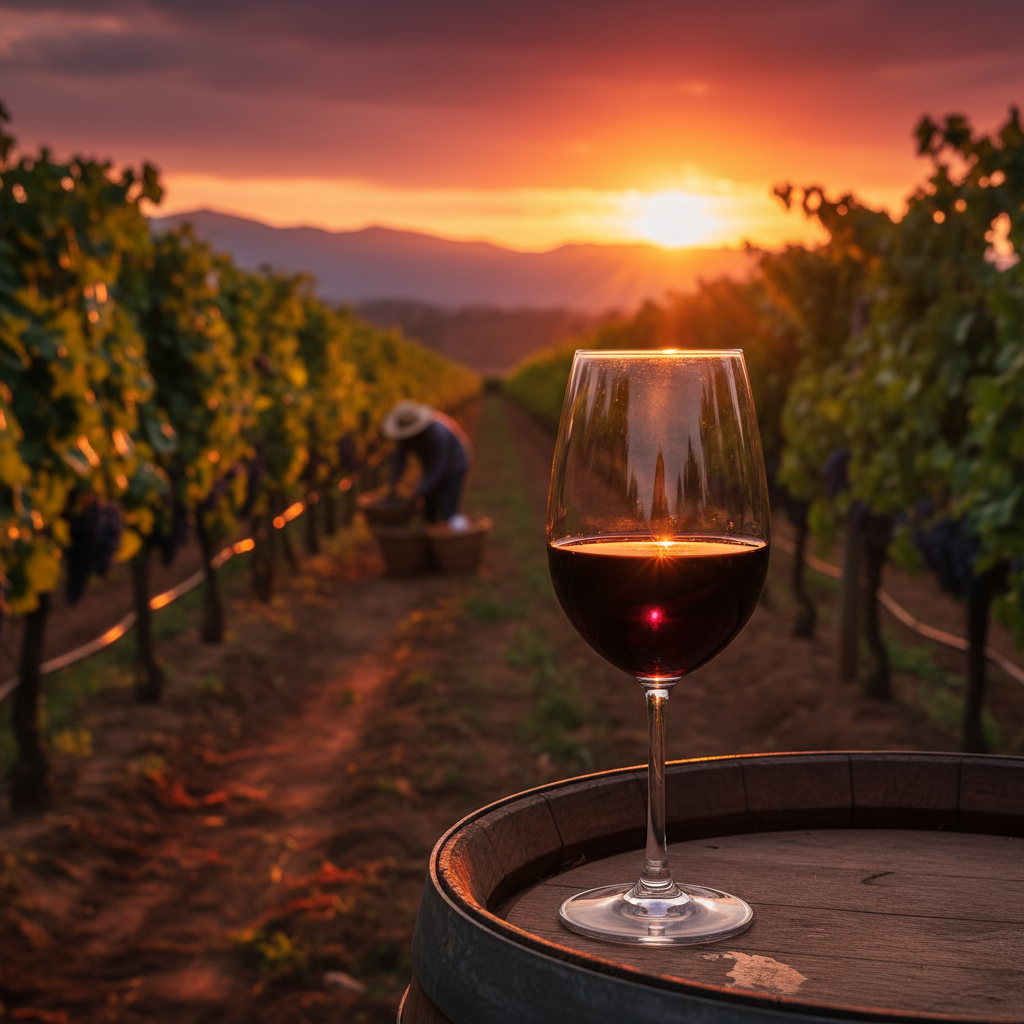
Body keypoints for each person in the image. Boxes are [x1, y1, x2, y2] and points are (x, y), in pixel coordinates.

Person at [381, 400, 472, 524]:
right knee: (429, 506)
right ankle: (431, 527)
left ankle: (451, 527)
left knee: (447, 505)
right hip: (433, 463)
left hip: (455, 464)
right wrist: (393, 485)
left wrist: (418, 493)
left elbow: (439, 470)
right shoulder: (406, 437)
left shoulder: (439, 435)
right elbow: (399, 459)